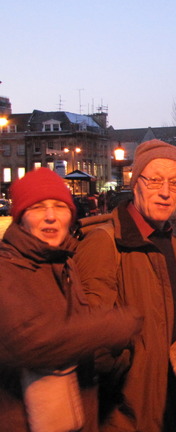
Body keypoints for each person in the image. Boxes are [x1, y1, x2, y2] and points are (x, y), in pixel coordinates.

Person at [0, 167, 142, 432]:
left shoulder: (64, 262)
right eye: (38, 207)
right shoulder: (7, 268)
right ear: (20, 218)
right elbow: (29, 341)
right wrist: (112, 326)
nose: (51, 217)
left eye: (59, 206)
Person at [75, 140, 176, 432]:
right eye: (154, 180)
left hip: (165, 413)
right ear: (134, 181)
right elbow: (88, 347)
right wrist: (130, 362)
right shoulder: (104, 243)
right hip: (120, 417)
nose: (165, 193)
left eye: (175, 184)